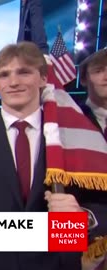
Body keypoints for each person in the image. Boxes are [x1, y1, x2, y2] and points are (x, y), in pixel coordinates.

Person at [0, 42, 85, 270]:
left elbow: (93, 206)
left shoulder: (69, 135)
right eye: (4, 75)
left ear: (43, 79)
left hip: (54, 262)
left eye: (24, 72)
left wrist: (77, 219)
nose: (13, 82)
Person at [78, 48, 107, 270]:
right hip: (86, 232)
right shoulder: (70, 119)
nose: (106, 76)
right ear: (85, 78)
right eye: (99, 70)